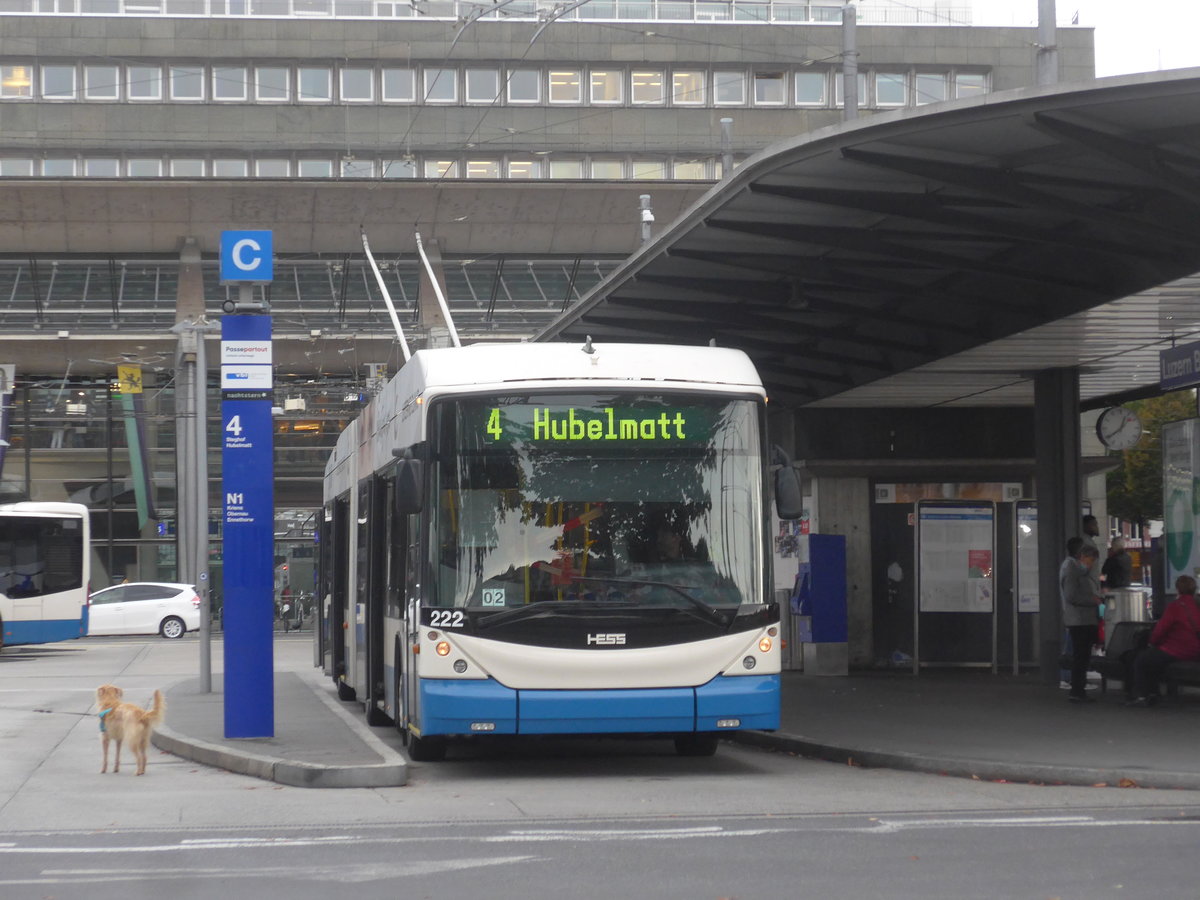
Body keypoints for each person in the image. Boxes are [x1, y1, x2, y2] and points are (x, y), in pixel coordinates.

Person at [1126, 575, 1200, 707]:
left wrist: (1152, 643)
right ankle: (1153, 693)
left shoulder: (1175, 606)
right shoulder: (1197, 605)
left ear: (1178, 589)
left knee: (1142, 659)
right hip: (1196, 650)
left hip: (1177, 650)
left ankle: (1143, 695)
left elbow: (1161, 630)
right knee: (1154, 659)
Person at [1060, 542, 1102, 703]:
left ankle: (1078, 690)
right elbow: (1071, 596)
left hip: (1083, 619)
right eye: (1091, 560)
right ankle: (1077, 691)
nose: (1091, 565)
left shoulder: (1076, 570)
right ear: (1083, 557)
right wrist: (1093, 601)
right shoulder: (1072, 570)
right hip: (1080, 620)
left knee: (1082, 656)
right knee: (1080, 656)